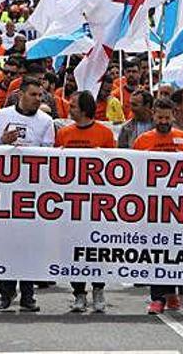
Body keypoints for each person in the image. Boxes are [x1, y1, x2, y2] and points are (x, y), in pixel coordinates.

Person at [0, 77, 55, 312]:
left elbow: (49, 155)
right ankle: (6, 292)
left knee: (29, 244)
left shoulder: (46, 121)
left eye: (41, 95)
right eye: (34, 94)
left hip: (32, 191)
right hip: (5, 189)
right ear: (20, 94)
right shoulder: (2, 116)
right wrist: (2, 142)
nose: (38, 99)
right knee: (7, 243)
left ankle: (28, 294)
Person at [133, 98, 183, 314]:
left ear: (174, 116)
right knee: (155, 252)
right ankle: (158, 297)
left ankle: (171, 292)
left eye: (167, 118)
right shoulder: (142, 141)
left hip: (179, 207)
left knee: (176, 251)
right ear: (153, 115)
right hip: (152, 207)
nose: (163, 121)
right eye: (159, 117)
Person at [55, 91, 115, 313]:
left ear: (85, 109)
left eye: (73, 106)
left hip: (97, 203)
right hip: (70, 202)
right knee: (72, 249)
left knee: (96, 249)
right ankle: (78, 293)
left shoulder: (104, 133)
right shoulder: (64, 133)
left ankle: (98, 289)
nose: (69, 108)